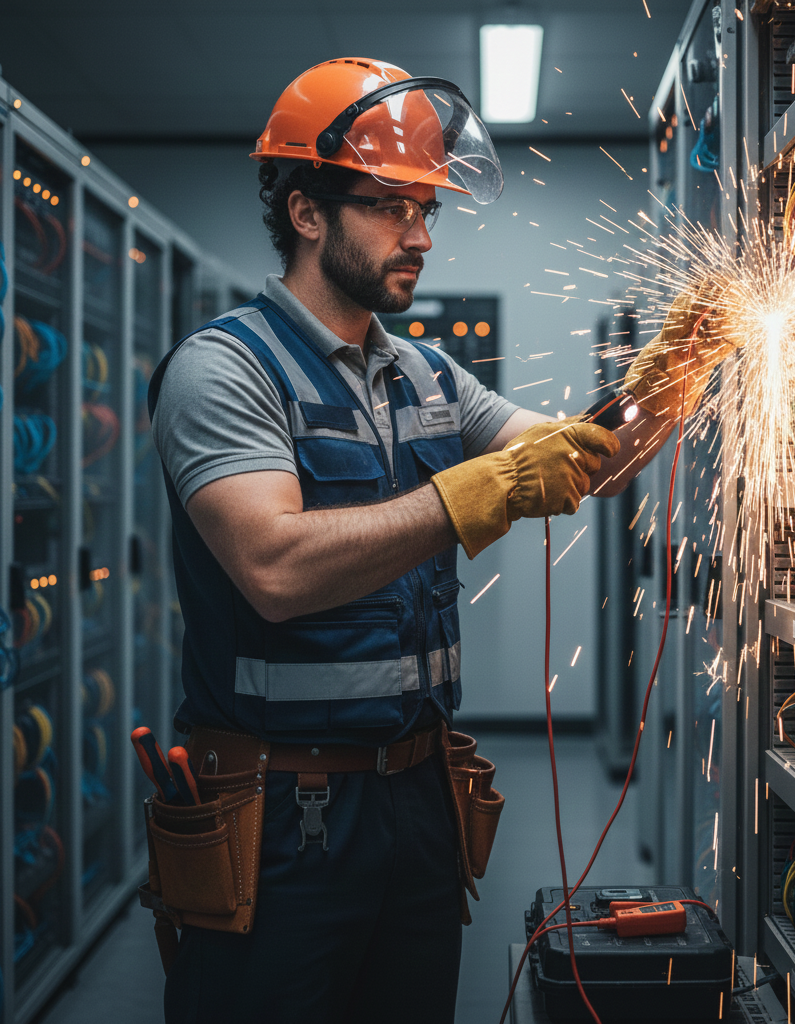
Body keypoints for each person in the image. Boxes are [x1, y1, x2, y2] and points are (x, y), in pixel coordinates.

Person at [147, 58, 736, 1024]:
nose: (421, 236)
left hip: (421, 800)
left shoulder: (428, 376)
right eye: (391, 207)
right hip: (280, 814)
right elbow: (273, 567)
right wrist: (473, 494)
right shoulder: (225, 370)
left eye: (425, 209)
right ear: (306, 211)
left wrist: (673, 375)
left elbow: (582, 460)